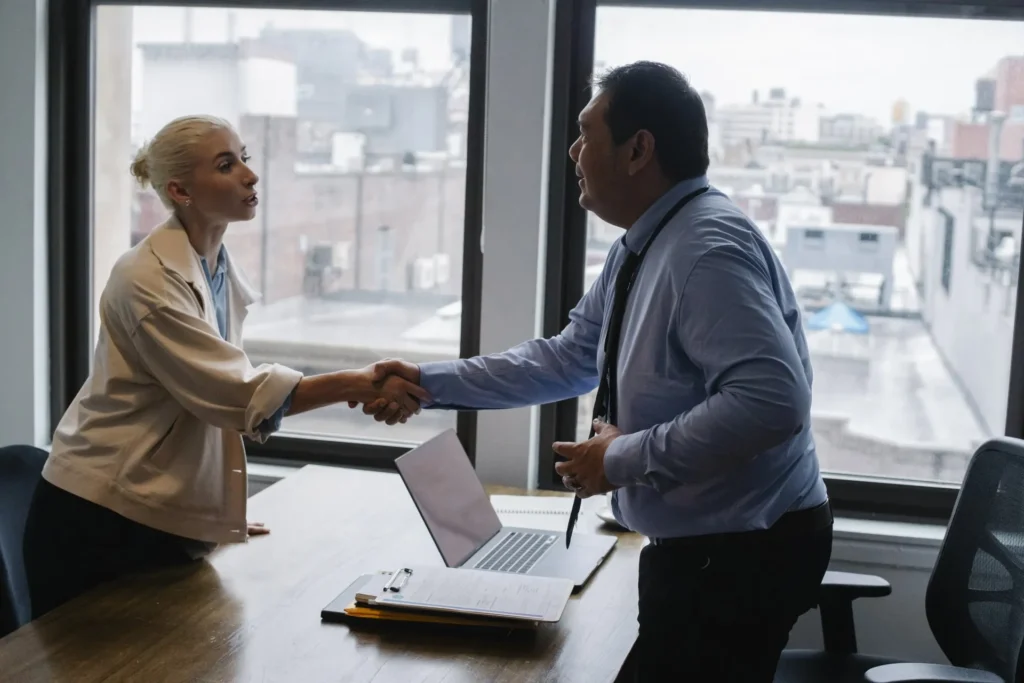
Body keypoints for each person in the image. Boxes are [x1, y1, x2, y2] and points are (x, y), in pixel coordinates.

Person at [363, 62, 832, 682]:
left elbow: (771, 401)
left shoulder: (707, 249)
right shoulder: (645, 242)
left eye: (587, 134)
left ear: (639, 150)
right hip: (709, 548)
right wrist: (428, 382)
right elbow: (569, 357)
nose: (573, 151)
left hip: (740, 553)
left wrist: (619, 459)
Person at [22, 115, 426, 620]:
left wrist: (215, 511)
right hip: (102, 516)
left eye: (244, 159)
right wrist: (359, 382)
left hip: (154, 508)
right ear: (179, 190)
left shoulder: (212, 262)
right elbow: (233, 393)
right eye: (226, 165)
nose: (250, 176)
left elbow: (210, 399)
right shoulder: (146, 279)